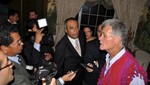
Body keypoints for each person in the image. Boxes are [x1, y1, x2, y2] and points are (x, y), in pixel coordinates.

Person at [97, 19, 148, 85]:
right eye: (101, 34)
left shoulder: (131, 70)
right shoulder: (110, 57)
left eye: (104, 35)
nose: (99, 38)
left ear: (117, 39)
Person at [54, 17, 86, 85]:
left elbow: (81, 55)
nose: (76, 30)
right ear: (66, 30)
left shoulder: (82, 34)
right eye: (71, 28)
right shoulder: (60, 46)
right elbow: (58, 69)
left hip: (81, 76)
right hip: (69, 81)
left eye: (77, 27)